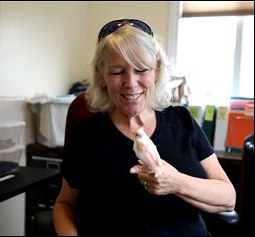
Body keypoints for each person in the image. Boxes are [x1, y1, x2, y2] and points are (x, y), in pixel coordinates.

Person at [53, 19, 236, 236]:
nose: (130, 83)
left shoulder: (182, 122)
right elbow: (65, 205)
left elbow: (228, 198)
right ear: (101, 75)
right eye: (117, 72)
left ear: (156, 71)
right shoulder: (87, 135)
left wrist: (174, 182)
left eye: (141, 70)